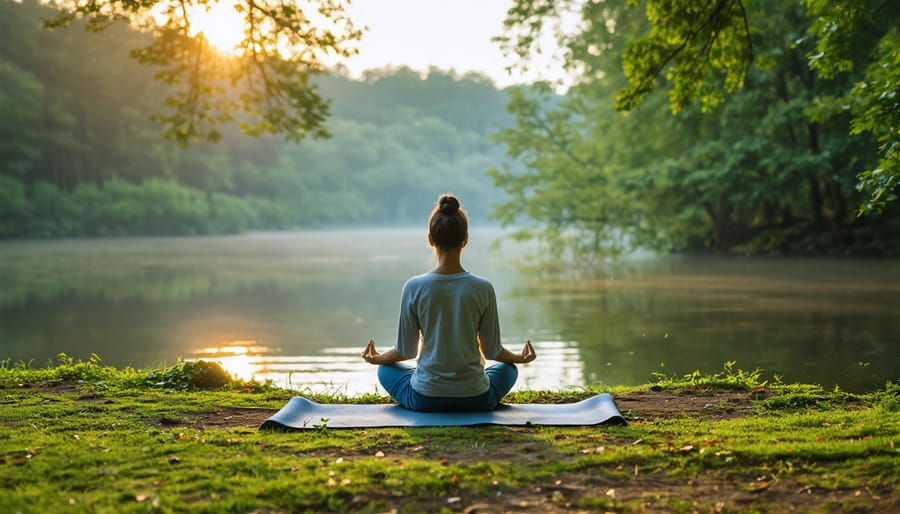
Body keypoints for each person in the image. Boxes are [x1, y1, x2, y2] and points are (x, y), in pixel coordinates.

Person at [361, 193, 537, 412]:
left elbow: (405, 351)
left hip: (426, 399)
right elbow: (493, 352)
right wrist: (519, 358)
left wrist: (378, 359)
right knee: (508, 369)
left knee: (385, 370)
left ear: (430, 239)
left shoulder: (413, 287)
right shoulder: (483, 288)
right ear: (465, 239)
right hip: (477, 399)